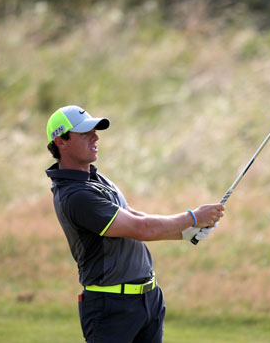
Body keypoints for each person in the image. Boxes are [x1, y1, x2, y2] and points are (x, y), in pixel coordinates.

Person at [45, 105, 224, 343]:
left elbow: (132, 217)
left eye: (95, 131)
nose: (95, 137)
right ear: (61, 141)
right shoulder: (76, 195)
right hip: (111, 309)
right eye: (85, 133)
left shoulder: (95, 179)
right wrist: (192, 218)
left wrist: (184, 232)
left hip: (147, 300)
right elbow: (141, 229)